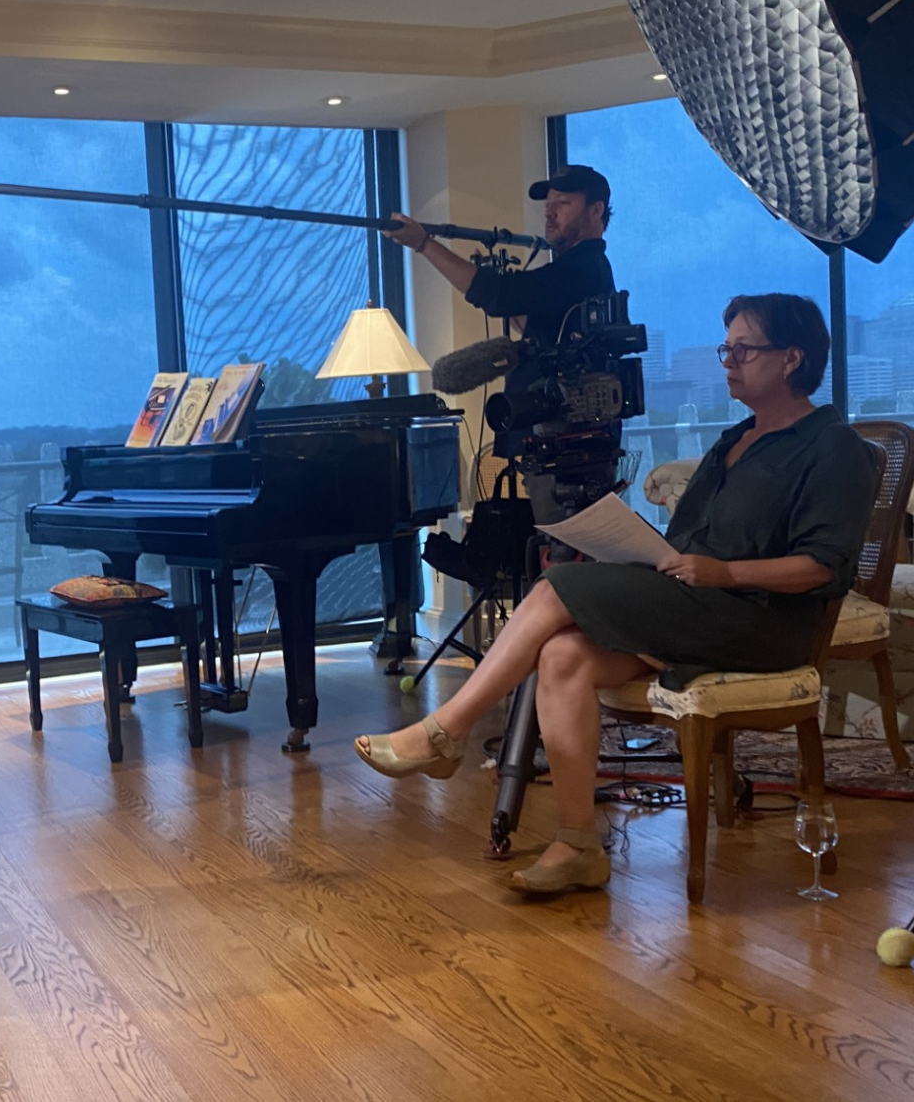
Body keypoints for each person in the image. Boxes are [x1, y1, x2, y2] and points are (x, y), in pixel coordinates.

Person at [354, 294, 877, 894]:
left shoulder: (832, 446)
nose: (728, 361)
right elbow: (690, 542)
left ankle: (446, 731)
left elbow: (822, 567)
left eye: (743, 349)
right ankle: (578, 844)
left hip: (760, 622)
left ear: (792, 359)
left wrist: (723, 574)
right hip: (697, 607)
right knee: (561, 656)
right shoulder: (736, 437)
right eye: (724, 348)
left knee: (557, 586)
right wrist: (640, 550)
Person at [383, 163, 619, 519]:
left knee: (561, 550)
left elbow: (498, 296)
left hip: (569, 449)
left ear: (596, 210)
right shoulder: (578, 271)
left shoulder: (582, 268)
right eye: (547, 205)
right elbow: (534, 329)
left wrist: (425, 245)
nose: (550, 213)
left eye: (563, 203)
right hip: (551, 443)